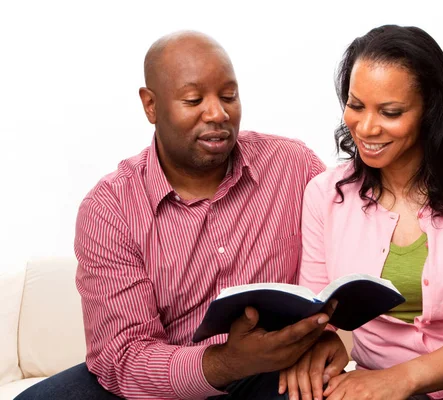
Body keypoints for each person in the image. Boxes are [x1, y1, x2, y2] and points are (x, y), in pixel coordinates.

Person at [15, 31, 344, 400]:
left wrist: (327, 338)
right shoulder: (110, 208)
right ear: (151, 105)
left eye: (229, 96)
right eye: (193, 99)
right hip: (164, 377)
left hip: (273, 370)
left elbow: (343, 263)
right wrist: (226, 363)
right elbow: (124, 356)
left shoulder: (293, 166)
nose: (218, 113)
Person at [280, 25, 443, 400]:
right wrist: (322, 342)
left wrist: (401, 379)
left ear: (430, 111)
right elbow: (318, 310)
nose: (365, 127)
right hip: (377, 378)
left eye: (390, 111)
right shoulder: (326, 194)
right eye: (355, 105)